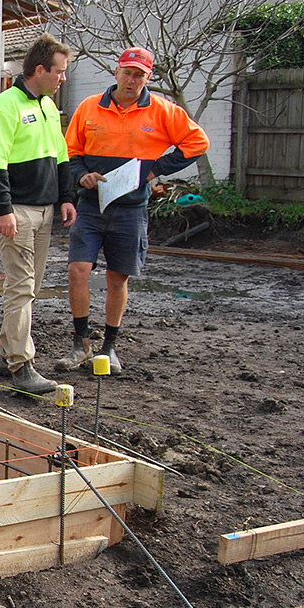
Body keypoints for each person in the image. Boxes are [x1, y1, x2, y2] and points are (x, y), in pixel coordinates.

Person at [56, 46, 209, 375]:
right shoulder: (89, 108)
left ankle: (109, 347)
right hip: (92, 204)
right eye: (127, 72)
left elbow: (198, 142)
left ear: (147, 77)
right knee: (78, 270)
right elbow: (70, 151)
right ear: (117, 72)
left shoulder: (163, 111)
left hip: (130, 208)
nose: (131, 79)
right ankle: (80, 344)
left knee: (117, 277)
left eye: (139, 74)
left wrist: (155, 170)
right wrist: (82, 175)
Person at [0, 33, 77, 395]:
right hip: (17, 211)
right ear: (40, 70)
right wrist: (4, 209)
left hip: (44, 209)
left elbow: (61, 157)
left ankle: (8, 356)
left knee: (30, 288)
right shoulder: (5, 107)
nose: (63, 78)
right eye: (59, 71)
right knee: (21, 287)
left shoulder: (49, 107)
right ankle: (22, 366)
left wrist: (66, 197)